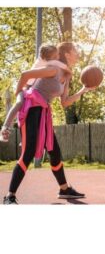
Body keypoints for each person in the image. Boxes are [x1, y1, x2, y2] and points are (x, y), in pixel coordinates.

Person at [3, 42, 95, 204]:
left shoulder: (66, 75)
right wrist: (19, 96)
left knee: (54, 151)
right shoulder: (54, 68)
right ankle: (9, 195)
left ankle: (64, 189)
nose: (78, 53)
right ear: (66, 54)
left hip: (44, 112)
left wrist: (83, 90)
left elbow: (64, 102)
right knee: (28, 152)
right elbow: (25, 75)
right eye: (75, 51)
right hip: (31, 110)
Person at [0, 44, 71, 142]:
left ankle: (25, 139)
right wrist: (18, 92)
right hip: (25, 88)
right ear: (46, 58)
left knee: (31, 113)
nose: (57, 58)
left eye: (57, 55)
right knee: (19, 103)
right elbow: (61, 65)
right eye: (55, 56)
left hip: (32, 90)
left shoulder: (50, 62)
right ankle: (5, 128)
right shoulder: (45, 61)